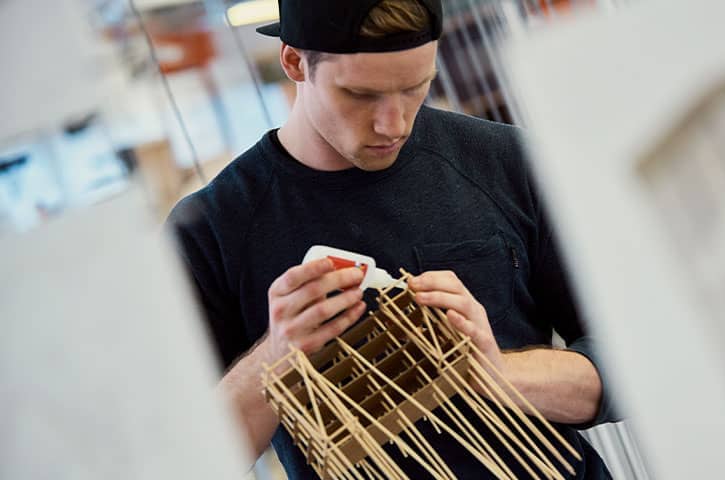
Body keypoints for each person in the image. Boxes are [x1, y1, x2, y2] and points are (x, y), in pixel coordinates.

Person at [167, 0, 618, 478]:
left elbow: (630, 368)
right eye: (360, 94)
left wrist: (499, 374)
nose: (394, 124)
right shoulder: (210, 231)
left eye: (415, 88)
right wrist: (275, 357)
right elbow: (188, 461)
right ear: (295, 62)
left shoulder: (505, 161)